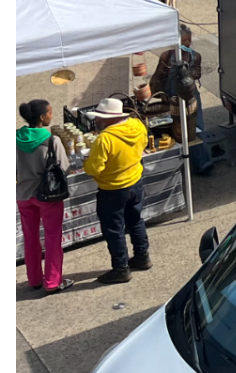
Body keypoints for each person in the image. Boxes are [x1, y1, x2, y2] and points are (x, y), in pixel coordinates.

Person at [84, 98, 150, 284]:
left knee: (114, 230)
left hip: (112, 189)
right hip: (135, 181)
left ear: (106, 119)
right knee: (135, 220)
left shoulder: (104, 139)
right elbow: (143, 145)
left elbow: (94, 168)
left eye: (100, 118)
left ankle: (121, 268)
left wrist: (86, 163)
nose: (98, 121)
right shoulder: (137, 125)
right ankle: (142, 256)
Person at [17, 100, 73, 295]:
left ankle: (34, 279)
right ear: (42, 117)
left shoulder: (15, 138)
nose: (52, 116)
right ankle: (52, 281)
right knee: (52, 238)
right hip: (47, 195)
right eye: (50, 112)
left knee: (30, 238)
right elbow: (64, 167)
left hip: (23, 194)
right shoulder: (52, 140)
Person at [152, 24, 211, 176]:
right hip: (171, 96)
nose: (186, 43)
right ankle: (175, 166)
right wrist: (160, 95)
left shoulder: (195, 56)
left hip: (191, 96)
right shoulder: (167, 56)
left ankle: (203, 163)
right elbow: (158, 76)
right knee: (173, 130)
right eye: (182, 40)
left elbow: (197, 73)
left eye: (188, 40)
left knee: (197, 129)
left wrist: (187, 73)